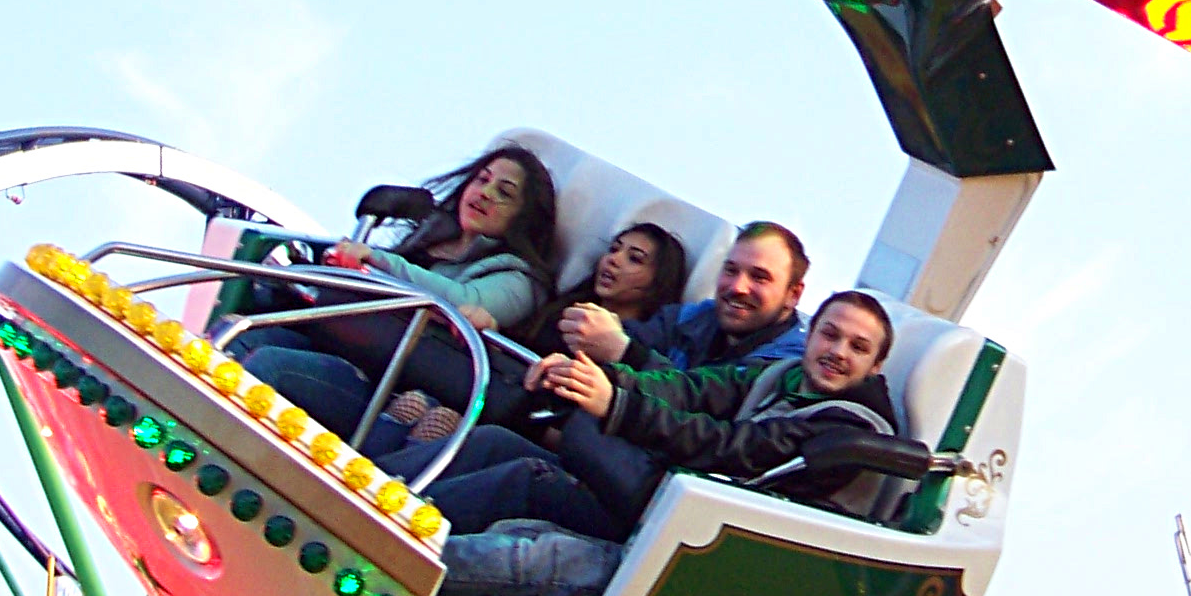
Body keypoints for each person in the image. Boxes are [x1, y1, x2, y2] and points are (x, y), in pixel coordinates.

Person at [426, 291, 906, 559]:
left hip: (702, 548)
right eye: (829, 335)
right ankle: (397, 500)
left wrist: (616, 406)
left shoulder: (852, 430)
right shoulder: (780, 375)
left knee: (548, 475)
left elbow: (731, 447)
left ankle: (410, 540)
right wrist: (596, 378)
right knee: (501, 447)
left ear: (877, 366)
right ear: (810, 336)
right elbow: (690, 389)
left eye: (858, 347)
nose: (837, 352)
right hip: (673, 509)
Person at [231, 146, 560, 438]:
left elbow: (462, 301)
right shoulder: (427, 240)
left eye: (504, 192)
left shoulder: (521, 281)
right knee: (240, 335)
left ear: (525, 216)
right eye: (482, 179)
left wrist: (376, 260)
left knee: (269, 364)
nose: (485, 192)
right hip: (340, 343)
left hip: (391, 385)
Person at [368, 221, 692, 449]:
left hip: (530, 431)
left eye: (634, 259)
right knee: (413, 404)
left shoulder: (636, 354)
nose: (614, 260)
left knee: (442, 422)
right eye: (614, 249)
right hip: (486, 401)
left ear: (657, 281)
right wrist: (491, 328)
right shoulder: (559, 313)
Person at [554, 221, 810, 374]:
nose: (738, 287)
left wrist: (627, 352)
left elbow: (705, 410)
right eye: (731, 271)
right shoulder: (688, 318)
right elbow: (632, 338)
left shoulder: (788, 366)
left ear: (793, 294)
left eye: (759, 277)